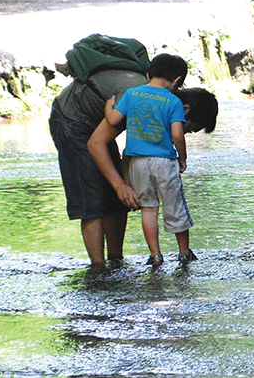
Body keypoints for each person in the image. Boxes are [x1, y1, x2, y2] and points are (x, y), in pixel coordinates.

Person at [88, 54, 216, 268]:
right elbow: (177, 135)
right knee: (175, 206)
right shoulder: (173, 101)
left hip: (136, 161)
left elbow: (113, 120)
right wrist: (182, 158)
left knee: (148, 208)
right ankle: (183, 251)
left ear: (149, 73)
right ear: (176, 81)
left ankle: (155, 255)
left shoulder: (132, 94)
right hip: (164, 161)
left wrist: (108, 107)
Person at [49, 43, 150, 269]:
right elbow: (95, 144)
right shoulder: (138, 99)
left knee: (115, 198)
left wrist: (124, 183)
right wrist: (121, 186)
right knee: (91, 197)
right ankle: (98, 268)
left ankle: (116, 260)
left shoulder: (157, 100)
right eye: (188, 129)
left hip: (95, 124)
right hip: (70, 119)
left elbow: (130, 149)